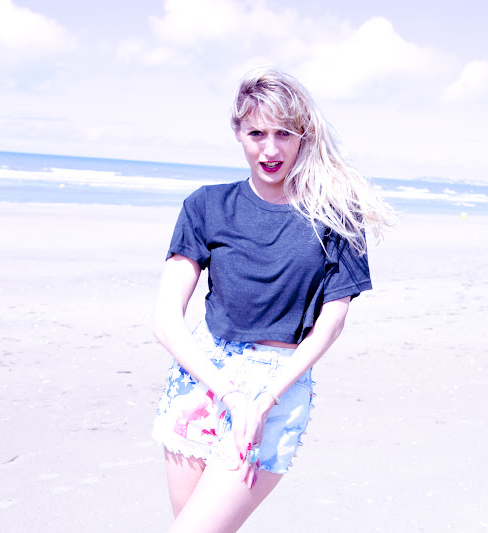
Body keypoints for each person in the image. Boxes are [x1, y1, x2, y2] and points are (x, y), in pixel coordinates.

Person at [151, 66, 396, 532]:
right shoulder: (206, 205)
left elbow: (331, 322)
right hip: (201, 378)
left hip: (275, 386)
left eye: (284, 133)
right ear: (238, 133)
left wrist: (263, 399)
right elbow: (166, 319)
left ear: (303, 136)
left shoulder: (336, 215)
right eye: (256, 133)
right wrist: (227, 393)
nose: (270, 148)